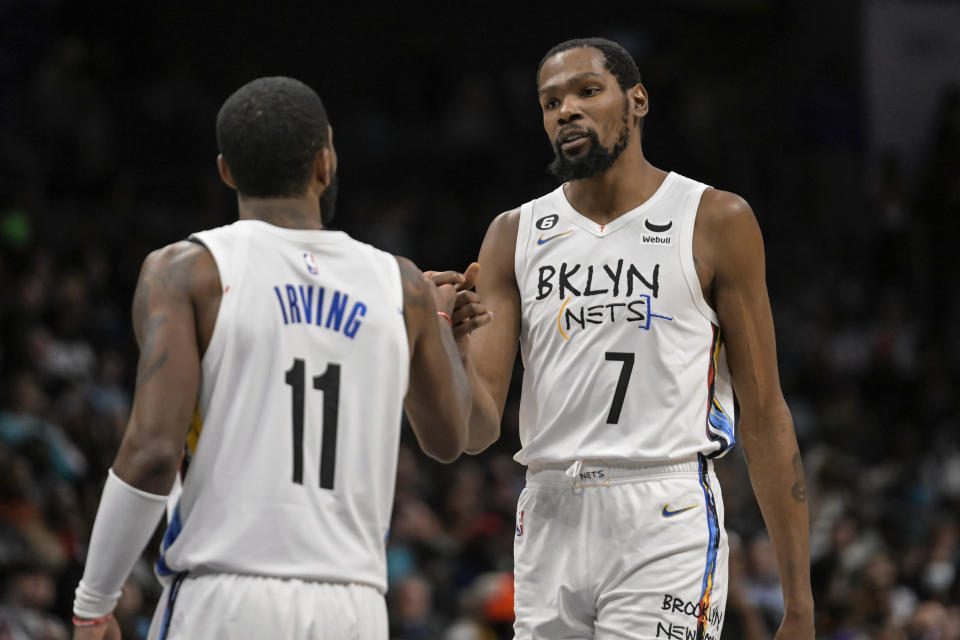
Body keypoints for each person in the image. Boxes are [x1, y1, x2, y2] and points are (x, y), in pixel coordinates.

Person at [434, 38, 815, 639]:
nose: (566, 111)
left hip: (663, 508)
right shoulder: (513, 234)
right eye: (550, 101)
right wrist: (451, 348)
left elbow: (766, 416)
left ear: (637, 101)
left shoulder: (715, 220)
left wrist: (799, 604)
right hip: (549, 509)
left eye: (587, 91)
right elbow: (478, 429)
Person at [70, 76, 472, 640]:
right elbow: (449, 438)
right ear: (325, 161)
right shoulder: (401, 285)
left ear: (226, 171)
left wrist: (95, 604)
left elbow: (154, 451)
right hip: (353, 607)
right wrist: (441, 322)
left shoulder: (188, 270)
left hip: (226, 596)